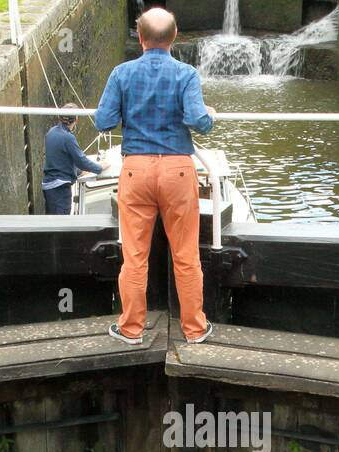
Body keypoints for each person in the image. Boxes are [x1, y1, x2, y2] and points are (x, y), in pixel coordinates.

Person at [93, 7, 215, 346]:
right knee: (186, 255)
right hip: (178, 169)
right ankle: (194, 329)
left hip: (137, 169)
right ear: (174, 37)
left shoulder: (121, 73)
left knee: (134, 255)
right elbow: (199, 122)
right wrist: (209, 116)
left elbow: (102, 121)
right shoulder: (186, 74)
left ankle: (131, 329)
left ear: (140, 37)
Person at [41, 104, 103, 215]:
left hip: (49, 187)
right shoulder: (68, 138)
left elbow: (59, 159)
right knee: (60, 225)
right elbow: (81, 161)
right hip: (60, 189)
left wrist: (78, 172)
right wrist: (100, 167)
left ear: (60, 117)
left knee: (51, 223)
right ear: (76, 119)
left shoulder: (51, 132)